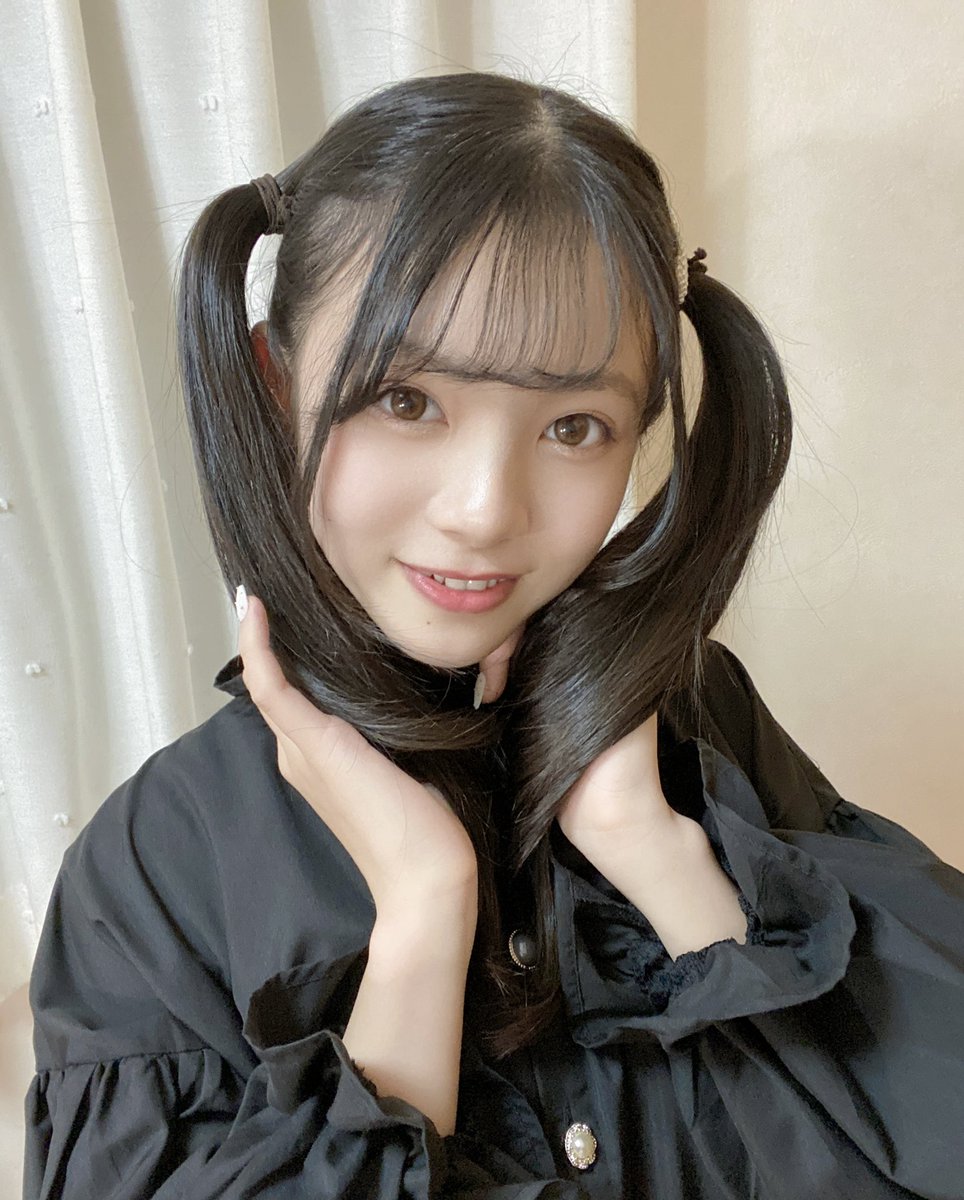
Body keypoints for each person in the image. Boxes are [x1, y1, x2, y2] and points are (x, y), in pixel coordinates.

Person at [22, 70, 964, 1200]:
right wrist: (423, 919)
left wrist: (651, 849)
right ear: (277, 387)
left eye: (575, 426)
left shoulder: (700, 720)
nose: (484, 511)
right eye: (405, 400)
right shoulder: (151, 876)